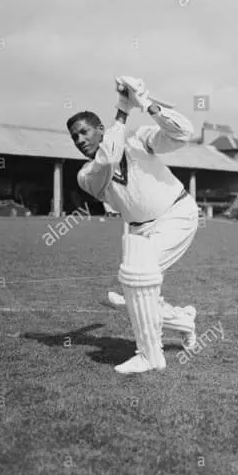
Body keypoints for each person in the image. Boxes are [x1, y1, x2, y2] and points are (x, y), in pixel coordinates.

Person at [66, 76, 199, 374]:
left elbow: (183, 133)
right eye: (75, 137)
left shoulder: (139, 139)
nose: (80, 140)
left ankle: (150, 357)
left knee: (137, 281)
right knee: (137, 291)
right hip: (139, 230)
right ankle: (183, 320)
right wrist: (123, 108)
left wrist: (145, 103)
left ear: (101, 129)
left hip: (177, 214)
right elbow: (109, 157)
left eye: (84, 132)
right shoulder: (87, 174)